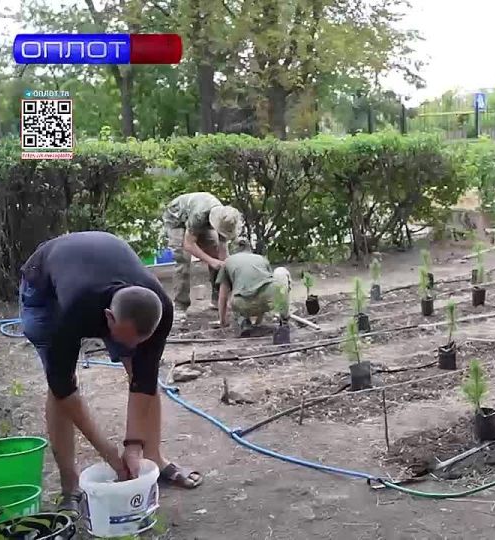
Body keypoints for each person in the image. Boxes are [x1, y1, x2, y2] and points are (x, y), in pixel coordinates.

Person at [19, 231, 203, 514]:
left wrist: (133, 447)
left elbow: (144, 381)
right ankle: (71, 485)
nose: (130, 347)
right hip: (44, 281)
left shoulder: (161, 309)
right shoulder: (73, 312)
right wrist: (111, 456)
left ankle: (154, 459)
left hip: (104, 272)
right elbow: (63, 388)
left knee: (141, 370)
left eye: (139, 340)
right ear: (108, 319)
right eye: (126, 339)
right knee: (57, 385)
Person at [162, 192, 242, 320]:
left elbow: (222, 249)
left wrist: (226, 265)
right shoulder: (199, 215)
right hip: (176, 219)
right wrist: (211, 261)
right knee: (183, 258)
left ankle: (218, 300)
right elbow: (188, 244)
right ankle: (180, 305)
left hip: (201, 220)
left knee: (214, 251)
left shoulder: (225, 218)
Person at [215, 239, 293, 333]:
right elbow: (264, 285)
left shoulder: (227, 262)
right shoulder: (261, 259)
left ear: (233, 250)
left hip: (242, 304)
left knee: (234, 295)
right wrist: (258, 322)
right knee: (280, 273)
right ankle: (284, 319)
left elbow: (222, 296)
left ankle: (244, 322)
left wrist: (223, 322)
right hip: (268, 300)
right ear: (249, 249)